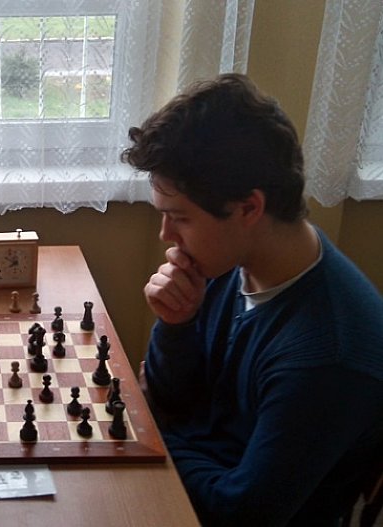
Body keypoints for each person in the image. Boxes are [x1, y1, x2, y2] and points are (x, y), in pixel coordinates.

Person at [122, 73, 383, 526]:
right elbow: (172, 399)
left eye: (179, 218)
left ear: (248, 208)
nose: (166, 236)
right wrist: (177, 324)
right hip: (188, 487)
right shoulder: (228, 262)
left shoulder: (329, 354)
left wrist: (153, 431)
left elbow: (241, 513)